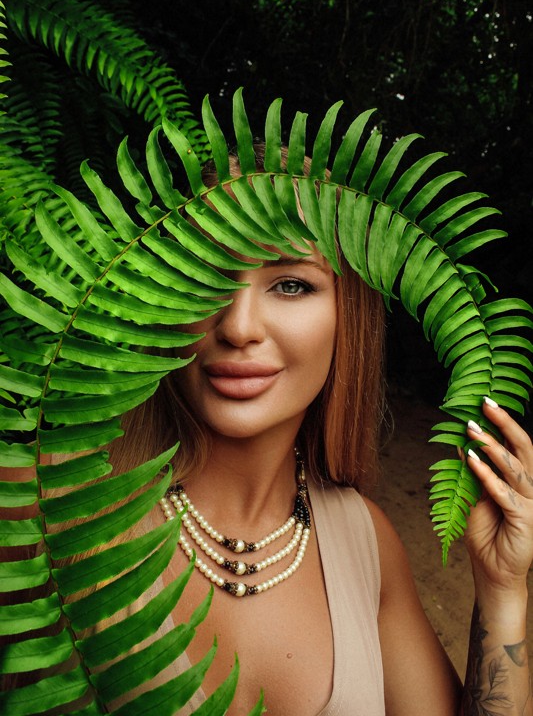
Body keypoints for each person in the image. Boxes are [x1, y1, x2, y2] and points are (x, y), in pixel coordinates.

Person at [3, 147, 533, 716]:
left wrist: (503, 590)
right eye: (204, 275)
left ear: (348, 316)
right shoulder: (42, 502)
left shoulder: (364, 544)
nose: (238, 326)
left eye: (291, 285)